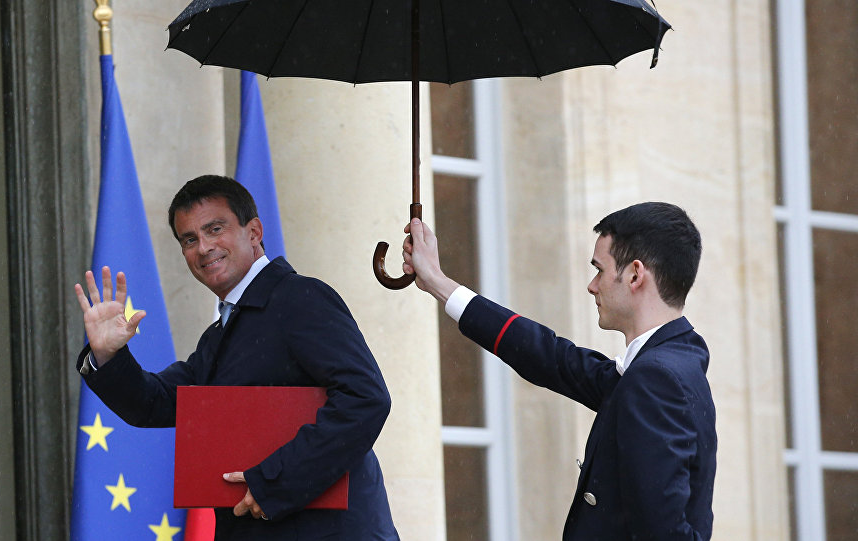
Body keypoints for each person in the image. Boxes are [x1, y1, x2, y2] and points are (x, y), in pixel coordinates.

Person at [73, 175, 398, 540]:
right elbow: (157, 403)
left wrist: (273, 481)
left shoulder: (299, 298)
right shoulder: (221, 332)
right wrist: (108, 353)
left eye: (215, 229)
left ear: (254, 232)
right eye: (189, 239)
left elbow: (366, 399)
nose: (203, 247)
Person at [402, 202, 716, 540]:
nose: (592, 286)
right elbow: (551, 357)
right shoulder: (675, 358)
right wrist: (437, 282)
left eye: (600, 270)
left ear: (635, 275)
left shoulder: (656, 378)